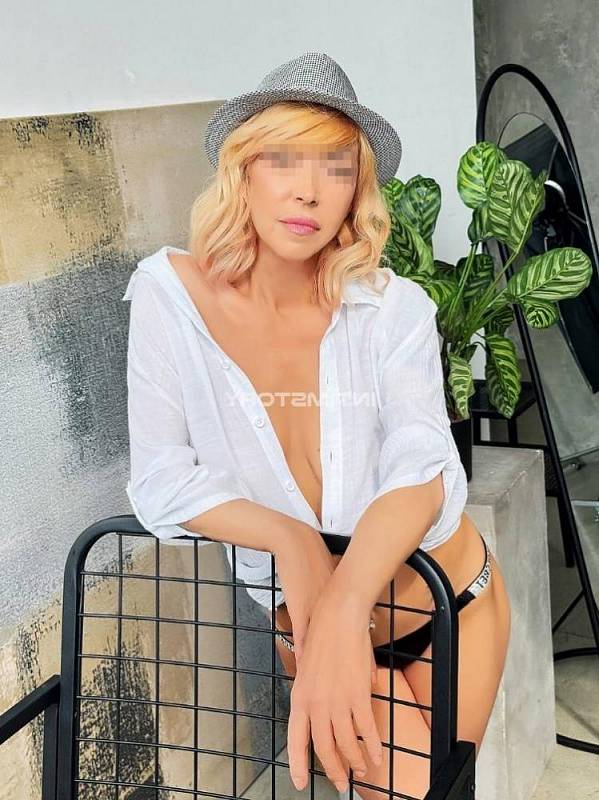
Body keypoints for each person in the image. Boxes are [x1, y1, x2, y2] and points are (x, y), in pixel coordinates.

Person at [123, 51, 511, 800]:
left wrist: (343, 600)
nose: (308, 190)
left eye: (337, 168)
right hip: (312, 621)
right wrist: (293, 541)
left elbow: (423, 464)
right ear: (243, 170)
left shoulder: (391, 310)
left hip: (449, 600)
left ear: (355, 191)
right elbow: (162, 479)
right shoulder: (170, 296)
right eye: (284, 159)